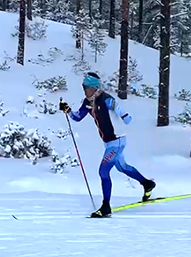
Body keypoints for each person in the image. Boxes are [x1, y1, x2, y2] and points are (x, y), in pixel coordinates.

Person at [59, 72, 156, 218]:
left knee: (103, 171)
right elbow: (78, 117)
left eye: (86, 87)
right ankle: (147, 183)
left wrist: (125, 117)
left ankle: (106, 206)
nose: (84, 90)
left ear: (93, 87)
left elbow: (117, 106)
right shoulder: (87, 102)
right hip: (109, 142)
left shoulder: (104, 98)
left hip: (116, 141)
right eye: (83, 87)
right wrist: (67, 110)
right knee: (122, 167)